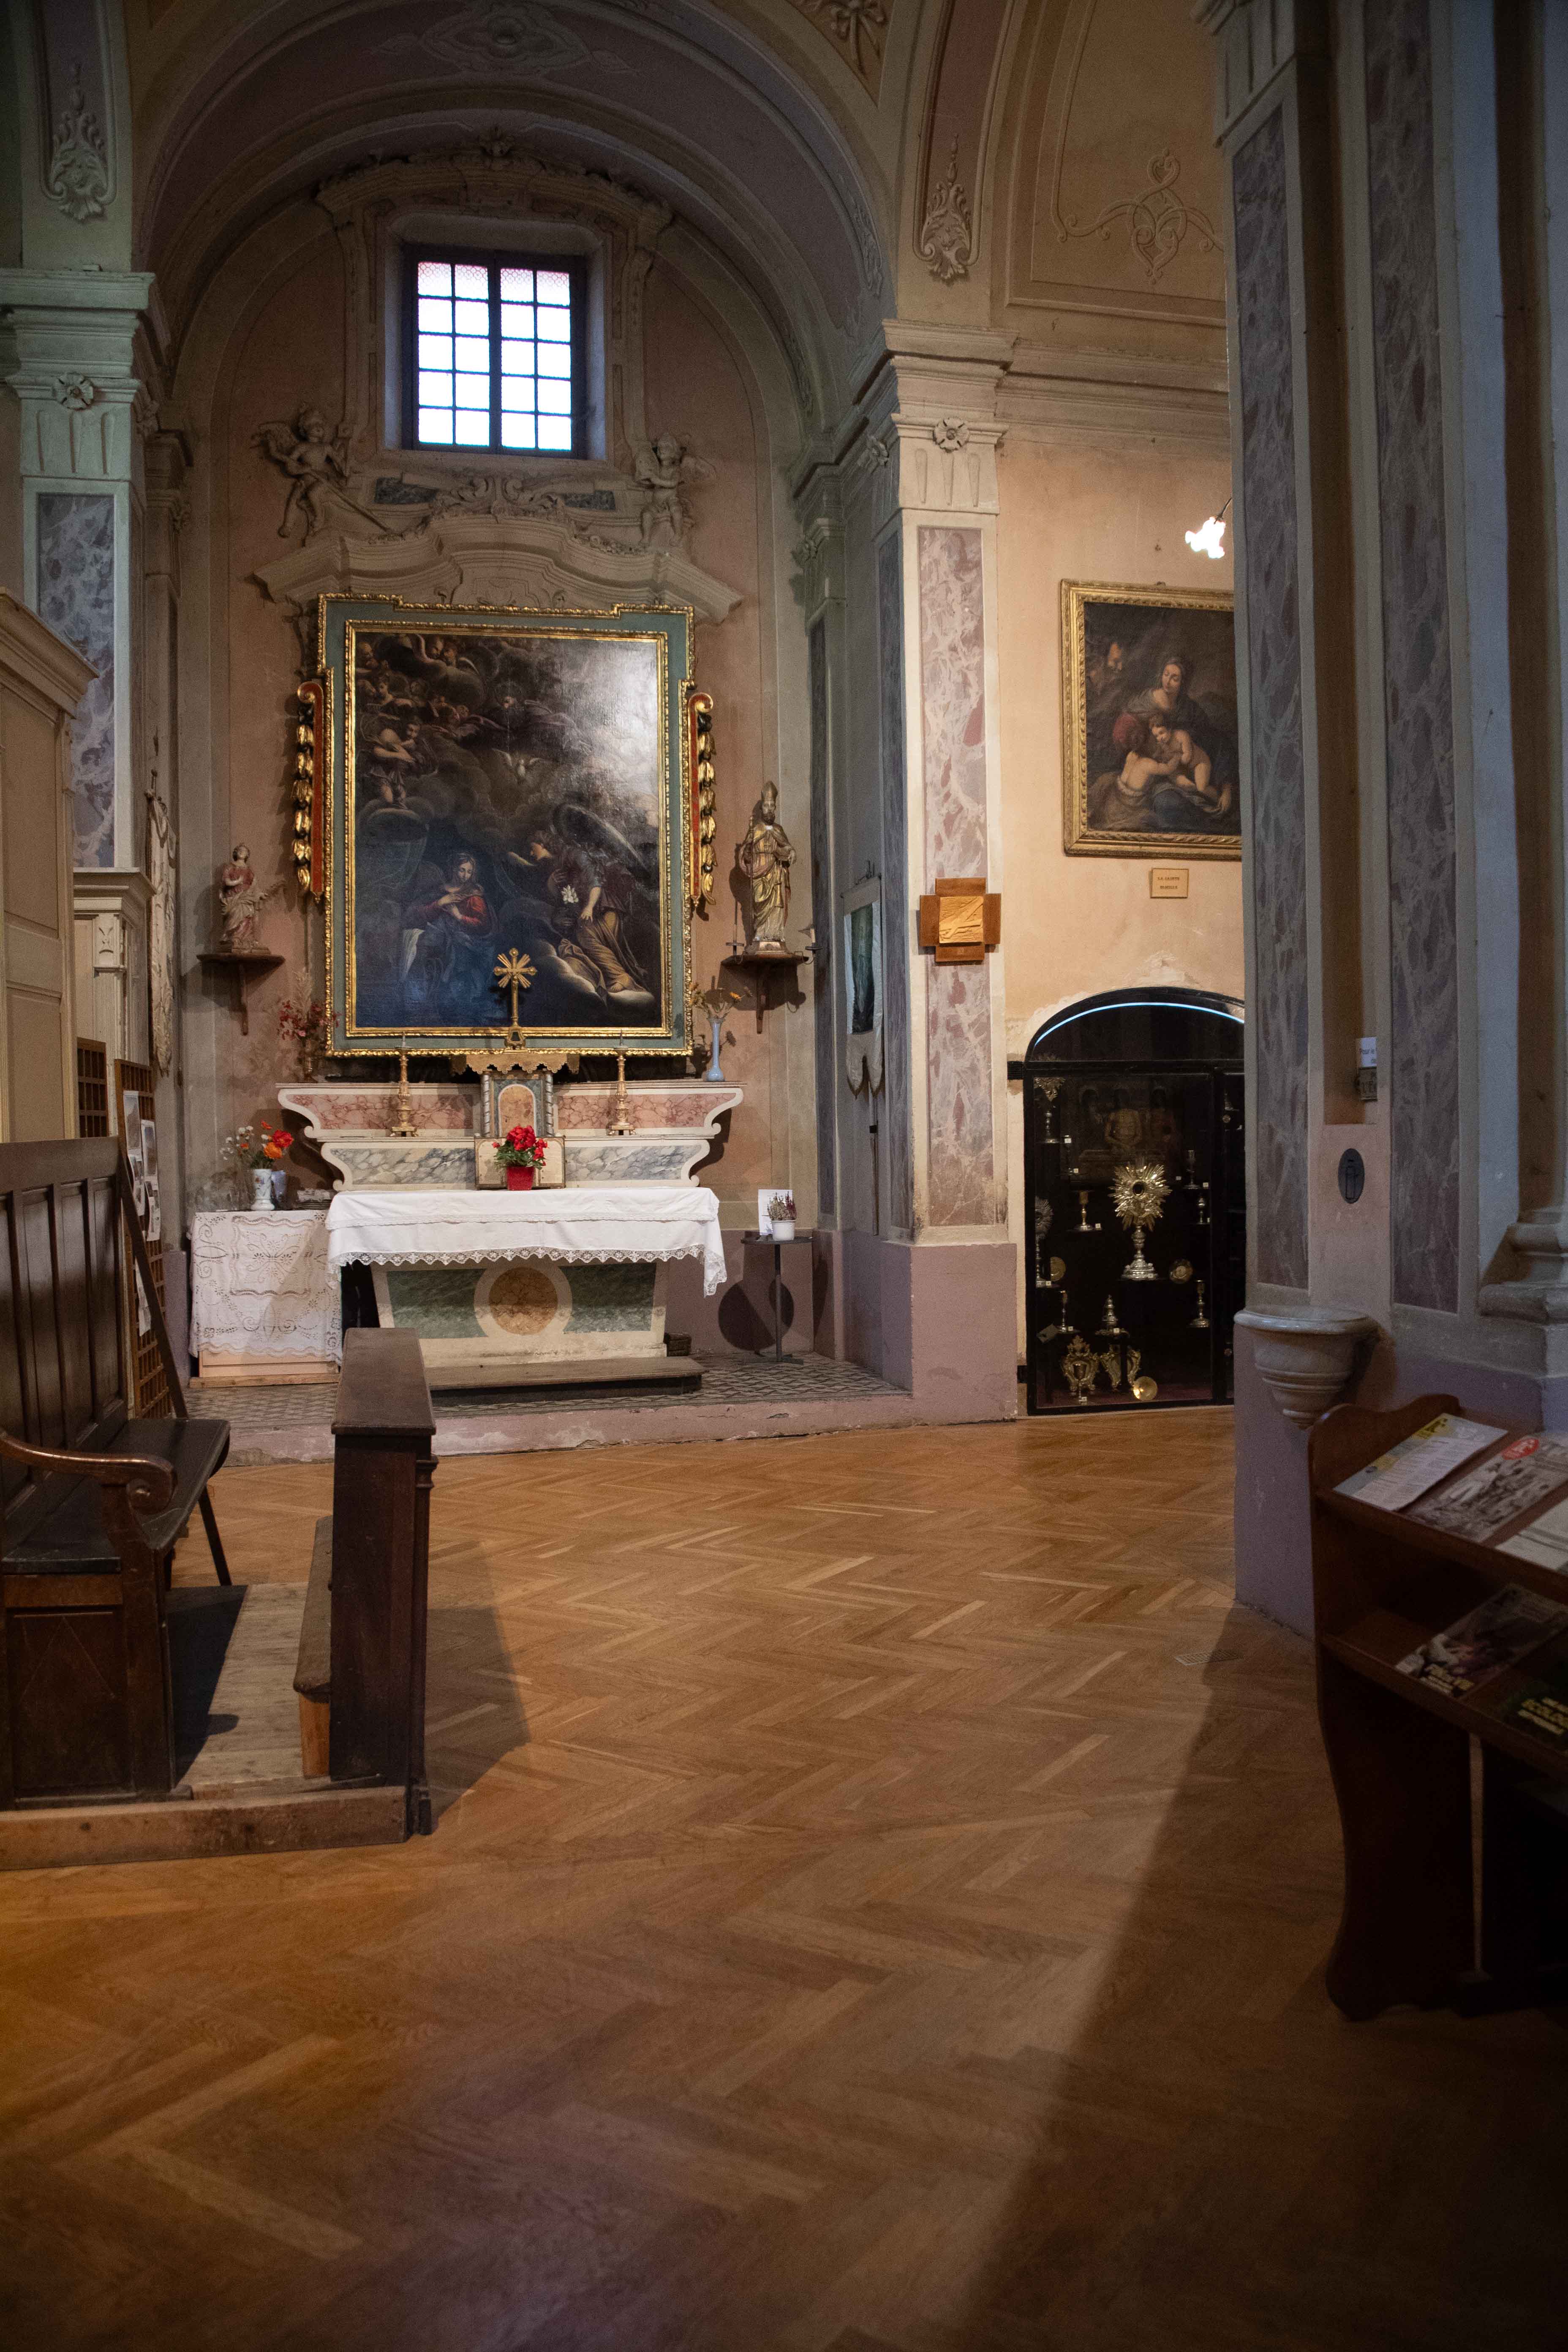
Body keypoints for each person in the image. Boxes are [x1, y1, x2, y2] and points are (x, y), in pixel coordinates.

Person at [737, 781, 795, 947]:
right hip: (759, 873)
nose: (769, 809)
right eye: (766, 806)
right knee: (760, 901)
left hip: (776, 874)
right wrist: (748, 852)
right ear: (762, 808)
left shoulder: (779, 830)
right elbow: (746, 854)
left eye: (772, 806)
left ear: (775, 808)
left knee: (777, 904)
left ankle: (776, 936)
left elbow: (787, 847)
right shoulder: (755, 830)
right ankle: (760, 935)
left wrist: (791, 852)